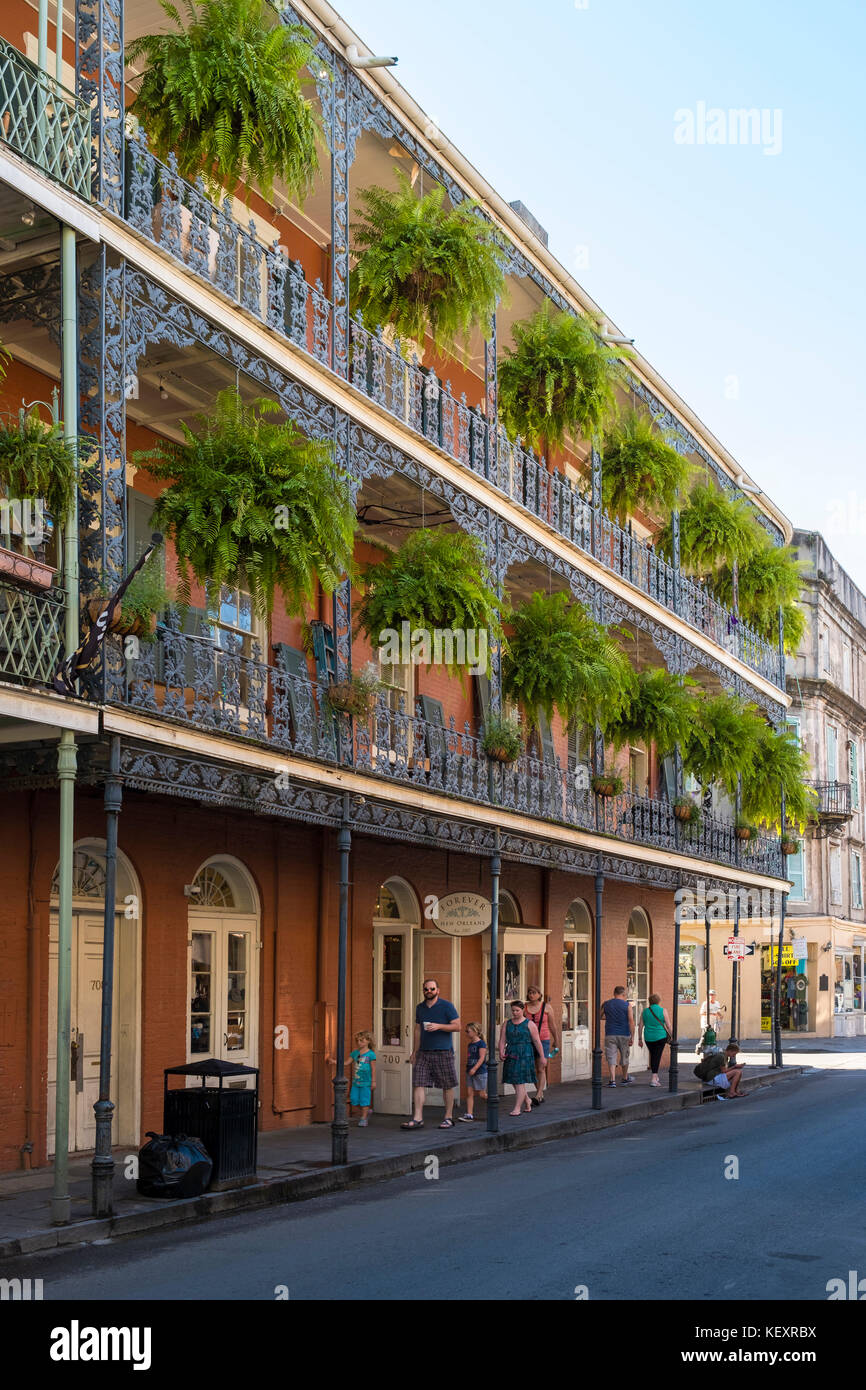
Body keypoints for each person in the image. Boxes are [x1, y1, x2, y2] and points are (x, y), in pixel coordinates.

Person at [401, 978, 460, 1130]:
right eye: (426, 989)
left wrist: (439, 1026)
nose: (429, 991)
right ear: (423, 991)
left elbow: (457, 1026)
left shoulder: (447, 1006)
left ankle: (448, 1117)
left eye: (432, 989)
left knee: (447, 1085)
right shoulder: (420, 1008)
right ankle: (418, 1118)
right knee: (418, 1083)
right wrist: (415, 1051)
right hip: (424, 1053)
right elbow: (418, 1029)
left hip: (443, 1051)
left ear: (438, 990)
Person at [499, 1000, 546, 1116]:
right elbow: (502, 1039)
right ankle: (528, 1101)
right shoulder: (507, 1023)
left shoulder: (529, 1024)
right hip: (511, 1052)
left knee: (519, 1081)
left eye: (517, 1010)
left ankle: (517, 1108)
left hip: (525, 1053)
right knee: (514, 1081)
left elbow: (537, 1041)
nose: (514, 1013)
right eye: (513, 1010)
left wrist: (542, 1057)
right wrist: (501, 1051)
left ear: (523, 1010)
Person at [525, 985, 557, 1105]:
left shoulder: (547, 1007)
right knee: (533, 1069)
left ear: (539, 994)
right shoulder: (524, 1008)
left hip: (543, 1040)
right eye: (529, 992)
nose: (531, 995)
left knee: (541, 1067)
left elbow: (552, 1025)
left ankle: (538, 1094)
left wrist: (556, 1040)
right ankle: (540, 1094)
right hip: (529, 1041)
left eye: (534, 992)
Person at [602, 985, 634, 1086]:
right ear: (624, 994)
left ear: (614, 993)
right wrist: (632, 1036)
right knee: (625, 1056)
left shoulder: (606, 1004)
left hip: (610, 1033)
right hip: (624, 1034)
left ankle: (612, 1080)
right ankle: (624, 1078)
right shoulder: (627, 1005)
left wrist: (610, 1018)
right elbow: (631, 1021)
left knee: (611, 1057)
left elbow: (600, 1015)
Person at [639, 992, 671, 1086]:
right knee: (656, 1056)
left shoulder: (645, 1012)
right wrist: (673, 1036)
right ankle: (654, 1079)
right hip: (660, 1037)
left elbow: (640, 1026)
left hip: (648, 1037)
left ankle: (655, 1076)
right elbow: (668, 1025)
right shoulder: (663, 1010)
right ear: (659, 1001)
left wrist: (639, 1039)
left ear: (649, 1001)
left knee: (654, 1055)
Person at [459, 1022, 488, 1121]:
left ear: (475, 1032)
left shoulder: (481, 1043)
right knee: (469, 1093)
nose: (466, 1033)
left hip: (480, 1072)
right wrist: (469, 1069)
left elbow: (482, 1058)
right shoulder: (470, 1044)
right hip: (470, 1071)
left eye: (468, 1031)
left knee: (482, 1094)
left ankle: (493, 1102)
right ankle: (469, 1114)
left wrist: (475, 1068)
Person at [348, 1031, 377, 1126]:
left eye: (361, 1040)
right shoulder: (355, 1053)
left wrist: (373, 1081)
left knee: (364, 1101)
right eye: (358, 1041)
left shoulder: (371, 1054)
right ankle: (367, 1111)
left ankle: (363, 1118)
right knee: (354, 1100)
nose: (359, 1043)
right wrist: (335, 1061)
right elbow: (347, 1062)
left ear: (368, 1041)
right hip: (356, 1082)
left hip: (366, 1082)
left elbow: (373, 1069)